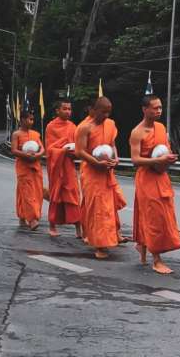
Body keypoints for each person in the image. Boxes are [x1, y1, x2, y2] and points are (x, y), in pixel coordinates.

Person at [129, 95, 180, 274]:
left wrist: (168, 159)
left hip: (161, 175)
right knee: (153, 218)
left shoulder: (160, 127)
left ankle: (143, 249)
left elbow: (164, 149)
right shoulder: (137, 132)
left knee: (155, 215)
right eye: (155, 108)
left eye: (160, 108)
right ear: (145, 109)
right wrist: (157, 160)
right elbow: (135, 160)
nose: (159, 111)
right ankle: (156, 259)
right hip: (146, 178)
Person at [75, 97, 127, 260]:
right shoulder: (84, 127)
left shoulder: (110, 124)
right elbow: (80, 151)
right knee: (97, 209)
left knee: (108, 207)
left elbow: (112, 144)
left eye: (108, 112)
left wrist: (116, 159)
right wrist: (96, 162)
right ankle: (99, 245)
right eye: (103, 111)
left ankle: (111, 236)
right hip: (91, 172)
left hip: (106, 171)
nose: (106, 115)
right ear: (94, 110)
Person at [45, 99, 83, 238]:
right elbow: (49, 149)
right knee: (55, 195)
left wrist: (74, 152)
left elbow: (77, 146)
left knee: (73, 194)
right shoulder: (50, 127)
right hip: (56, 167)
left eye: (69, 109)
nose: (68, 111)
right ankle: (52, 225)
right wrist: (62, 151)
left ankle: (78, 228)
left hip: (68, 165)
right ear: (57, 111)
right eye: (64, 109)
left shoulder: (73, 127)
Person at [10, 112, 45, 230]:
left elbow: (42, 148)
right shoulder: (16, 134)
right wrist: (25, 154)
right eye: (29, 119)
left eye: (32, 119)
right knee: (27, 192)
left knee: (35, 192)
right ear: (22, 120)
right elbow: (14, 150)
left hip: (35, 165)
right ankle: (32, 219)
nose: (32, 122)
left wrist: (37, 155)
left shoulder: (35, 134)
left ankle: (22, 217)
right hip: (23, 166)